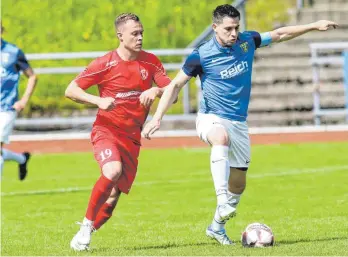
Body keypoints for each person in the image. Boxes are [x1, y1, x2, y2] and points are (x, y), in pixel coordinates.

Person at [142, 4, 338, 245]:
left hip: (239, 122)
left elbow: (279, 34)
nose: (233, 33)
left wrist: (313, 25)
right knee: (220, 137)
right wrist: (157, 117)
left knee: (239, 182)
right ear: (215, 28)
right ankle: (221, 198)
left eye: (236, 28)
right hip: (210, 117)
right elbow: (174, 85)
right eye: (228, 29)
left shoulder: (247, 41)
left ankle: (216, 226)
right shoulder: (201, 55)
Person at [65, 13, 171, 251]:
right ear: (120, 36)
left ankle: (87, 232)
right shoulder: (105, 63)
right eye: (135, 33)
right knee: (112, 170)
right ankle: (85, 226)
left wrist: (155, 91)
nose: (140, 37)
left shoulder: (151, 62)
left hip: (132, 137)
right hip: (107, 130)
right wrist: (97, 101)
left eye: (142, 32)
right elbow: (71, 90)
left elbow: (171, 91)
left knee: (112, 200)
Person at [0, 22, 37, 180]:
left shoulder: (13, 52)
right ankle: (22, 159)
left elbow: (32, 76)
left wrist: (23, 100)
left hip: (7, 107)